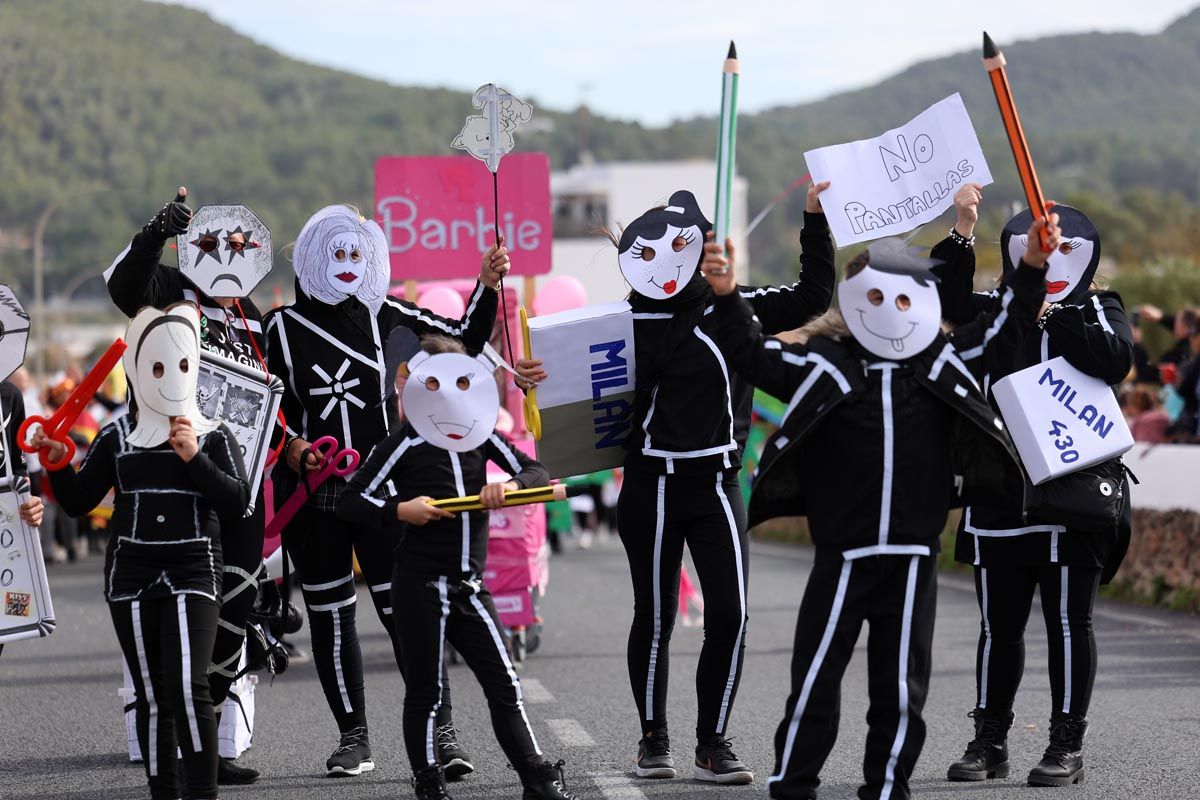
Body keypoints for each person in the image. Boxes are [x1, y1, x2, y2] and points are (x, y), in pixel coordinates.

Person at [705, 207, 1051, 799]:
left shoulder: (942, 364)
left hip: (915, 556)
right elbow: (752, 352)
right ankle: (793, 784)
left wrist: (1032, 269)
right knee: (815, 677)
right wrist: (728, 293)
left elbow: (1005, 332)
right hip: (842, 554)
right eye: (877, 298)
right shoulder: (823, 364)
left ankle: (888, 788)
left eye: (906, 300)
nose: (892, 312)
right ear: (851, 302)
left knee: (900, 688)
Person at [600, 184, 834, 784]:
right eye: (648, 253)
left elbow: (813, 296)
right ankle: (654, 740)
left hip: (719, 484)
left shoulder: (741, 305)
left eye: (682, 246)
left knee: (729, 614)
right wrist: (535, 377)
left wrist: (813, 218)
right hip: (649, 485)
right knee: (653, 616)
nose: (669, 262)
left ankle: (713, 742)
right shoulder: (619, 321)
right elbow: (569, 387)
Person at [264, 204, 508, 777]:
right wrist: (294, 446)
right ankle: (354, 737)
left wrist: (487, 285)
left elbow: (464, 340)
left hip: (384, 491)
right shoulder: (280, 327)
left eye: (356, 254)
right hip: (314, 496)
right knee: (329, 614)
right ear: (314, 259)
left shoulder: (388, 314)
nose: (347, 265)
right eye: (336, 254)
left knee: (409, 614)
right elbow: (264, 404)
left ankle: (442, 734)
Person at [938, 201, 1134, 787]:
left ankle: (1065, 743)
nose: (1050, 257)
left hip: (1073, 490)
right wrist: (962, 232)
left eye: (1064, 250)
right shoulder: (995, 310)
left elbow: (1116, 360)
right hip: (999, 488)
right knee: (998, 626)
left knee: (1070, 622)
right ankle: (988, 740)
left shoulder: (1100, 306)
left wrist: (1056, 312)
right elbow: (945, 303)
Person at [337, 335, 577, 800]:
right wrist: (401, 510)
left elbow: (537, 474)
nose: (450, 392)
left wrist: (505, 487)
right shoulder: (404, 442)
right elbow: (352, 501)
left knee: (505, 682)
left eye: (462, 381)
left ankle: (536, 779)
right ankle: (430, 785)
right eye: (437, 381)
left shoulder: (481, 432)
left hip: (469, 586)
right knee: (426, 692)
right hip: (419, 584)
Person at [33, 304, 249, 800]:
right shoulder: (114, 436)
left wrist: (194, 458)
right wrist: (59, 463)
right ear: (133, 370)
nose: (168, 376)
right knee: (152, 697)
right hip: (130, 572)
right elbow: (78, 500)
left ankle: (202, 793)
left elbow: (237, 502)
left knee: (190, 690)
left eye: (179, 365)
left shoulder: (212, 434)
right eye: (154, 366)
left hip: (196, 567)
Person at [105, 187, 272, 784]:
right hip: (163, 479)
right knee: (167, 613)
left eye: (237, 246)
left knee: (236, 602)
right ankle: (171, 748)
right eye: (211, 243)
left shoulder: (251, 314)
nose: (225, 255)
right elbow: (124, 287)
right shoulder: (170, 288)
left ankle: (212, 745)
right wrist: (157, 231)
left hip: (232, 476)